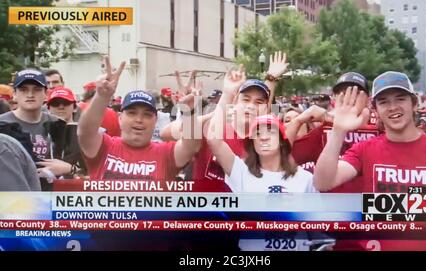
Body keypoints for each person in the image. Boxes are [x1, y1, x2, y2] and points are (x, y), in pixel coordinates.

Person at [313, 71, 426, 250]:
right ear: (375, 109)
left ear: (414, 104)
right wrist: (339, 130)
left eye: (400, 99)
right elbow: (323, 182)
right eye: (384, 102)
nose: (393, 107)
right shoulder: (365, 150)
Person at [207, 68, 316, 251]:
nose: (264, 137)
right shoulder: (240, 172)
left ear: (283, 141)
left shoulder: (306, 179)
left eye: (270, 131)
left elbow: (317, 226)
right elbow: (213, 137)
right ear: (252, 144)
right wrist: (227, 93)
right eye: (257, 133)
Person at [160, 51, 289, 192]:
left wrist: (271, 79)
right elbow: (165, 133)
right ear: (234, 102)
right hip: (204, 211)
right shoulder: (210, 126)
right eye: (245, 100)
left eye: (259, 102)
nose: (251, 105)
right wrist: (213, 113)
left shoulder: (264, 143)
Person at [78, 56, 201, 181]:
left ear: (156, 120)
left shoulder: (165, 154)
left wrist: (188, 110)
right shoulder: (104, 147)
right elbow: (85, 132)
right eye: (132, 113)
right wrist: (101, 96)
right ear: (120, 118)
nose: (139, 119)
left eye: (147, 114)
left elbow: (191, 146)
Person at [289, 72, 381, 178]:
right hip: (330, 192)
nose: (349, 98)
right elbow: (283, 160)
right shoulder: (325, 129)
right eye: (343, 93)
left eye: (355, 92)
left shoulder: (380, 127)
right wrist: (297, 121)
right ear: (334, 99)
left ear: (368, 99)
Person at [0, 69, 72, 190]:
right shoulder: (2, 125)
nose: (30, 95)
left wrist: (69, 168)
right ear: (15, 94)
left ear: (46, 94)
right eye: (23, 90)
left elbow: (83, 169)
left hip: (52, 197)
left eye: (37, 90)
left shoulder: (59, 125)